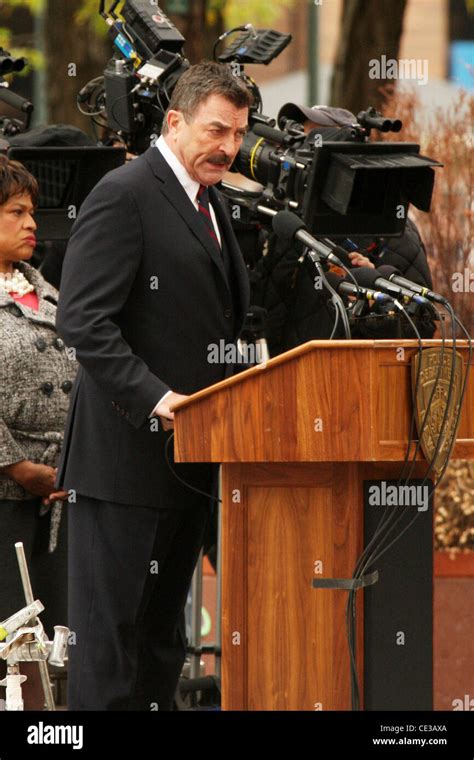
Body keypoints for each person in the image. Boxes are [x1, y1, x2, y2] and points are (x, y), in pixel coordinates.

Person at [55, 61, 252, 711]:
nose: (228, 147)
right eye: (216, 130)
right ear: (174, 121)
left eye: (238, 134)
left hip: (189, 466)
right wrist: (157, 400)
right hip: (123, 468)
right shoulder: (125, 193)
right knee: (110, 652)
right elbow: (83, 318)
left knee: (162, 649)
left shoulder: (211, 199)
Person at [249, 103, 435, 354]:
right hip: (292, 381)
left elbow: (421, 326)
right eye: (300, 142)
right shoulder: (284, 221)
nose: (304, 154)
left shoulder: (391, 226)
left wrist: (369, 296)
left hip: (364, 380)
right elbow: (266, 316)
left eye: (316, 141)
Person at [0, 155, 76, 708]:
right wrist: (12, 465)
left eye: (33, 211)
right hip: (5, 498)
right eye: (16, 212)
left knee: (57, 648)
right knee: (11, 645)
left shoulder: (51, 293)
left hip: (61, 493)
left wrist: (72, 462)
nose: (33, 224)